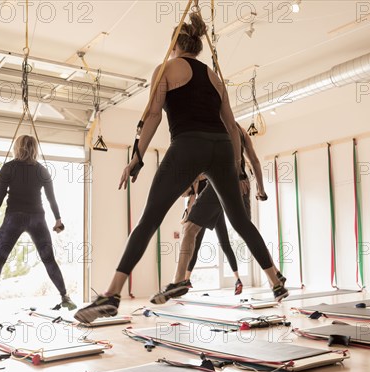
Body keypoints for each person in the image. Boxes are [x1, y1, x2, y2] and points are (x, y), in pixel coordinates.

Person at [74, 12, 288, 323]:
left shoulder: (166, 68)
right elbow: (230, 126)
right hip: (222, 148)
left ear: (174, 44)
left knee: (149, 219)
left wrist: (138, 156)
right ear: (198, 45)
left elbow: (153, 116)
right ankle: (275, 280)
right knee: (240, 220)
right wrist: (237, 168)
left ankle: (112, 294)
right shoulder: (215, 78)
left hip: (188, 145)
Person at [0, 135, 76, 319]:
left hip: (14, 218)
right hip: (37, 218)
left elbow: (0, 194)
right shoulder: (42, 170)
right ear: (35, 148)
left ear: (17, 147)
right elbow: (52, 197)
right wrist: (58, 220)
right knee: (49, 260)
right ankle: (65, 296)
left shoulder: (9, 168)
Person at [167, 123, 270, 300]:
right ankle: (185, 279)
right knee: (204, 238)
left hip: (220, 198)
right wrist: (260, 189)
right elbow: (253, 160)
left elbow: (223, 165)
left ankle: (186, 280)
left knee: (218, 240)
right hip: (224, 195)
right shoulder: (237, 133)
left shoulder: (216, 133)